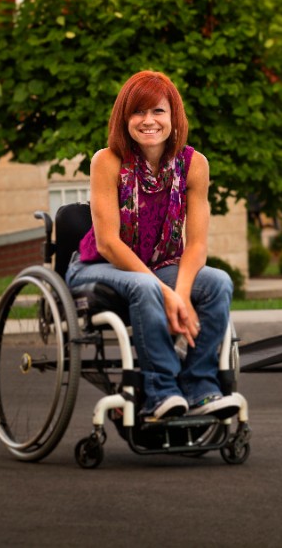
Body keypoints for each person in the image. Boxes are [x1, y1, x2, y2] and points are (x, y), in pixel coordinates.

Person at [66, 71, 241, 420]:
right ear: (124, 119)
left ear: (174, 117)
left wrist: (183, 292)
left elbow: (196, 245)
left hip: (162, 265)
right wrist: (168, 293)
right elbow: (109, 243)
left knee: (218, 282)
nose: (148, 121)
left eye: (158, 111)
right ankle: (160, 391)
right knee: (146, 285)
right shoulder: (107, 161)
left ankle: (199, 385)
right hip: (99, 265)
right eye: (138, 112)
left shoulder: (194, 165)